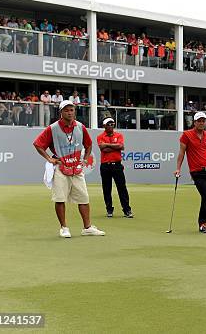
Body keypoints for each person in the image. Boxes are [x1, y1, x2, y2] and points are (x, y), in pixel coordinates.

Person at [33, 100, 105, 238]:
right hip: (60, 167)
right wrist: (49, 158)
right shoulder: (52, 128)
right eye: (66, 110)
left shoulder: (80, 126)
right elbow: (38, 144)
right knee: (60, 198)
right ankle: (64, 228)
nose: (70, 112)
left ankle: (87, 227)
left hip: (77, 168)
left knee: (84, 198)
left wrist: (85, 159)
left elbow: (89, 145)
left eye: (72, 110)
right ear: (61, 112)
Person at [174, 112, 206, 234]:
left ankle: (202, 224)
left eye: (203, 121)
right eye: (199, 121)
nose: (201, 123)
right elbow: (182, 153)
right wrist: (178, 168)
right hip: (197, 173)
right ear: (195, 122)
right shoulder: (186, 135)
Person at [97, 117, 133, 218]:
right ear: (104, 126)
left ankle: (127, 210)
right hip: (105, 166)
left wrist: (108, 145)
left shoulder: (119, 135)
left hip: (117, 165)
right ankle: (109, 209)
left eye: (112, 124)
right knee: (107, 188)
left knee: (122, 188)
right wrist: (115, 146)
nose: (111, 125)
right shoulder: (100, 136)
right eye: (108, 124)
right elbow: (103, 149)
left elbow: (121, 147)